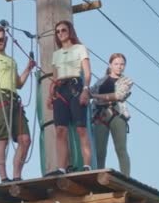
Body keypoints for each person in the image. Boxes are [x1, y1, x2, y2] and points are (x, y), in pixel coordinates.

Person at [0, 26, 35, 182]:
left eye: (1, 39)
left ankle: (17, 175)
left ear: (6, 40)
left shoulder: (11, 61)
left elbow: (19, 84)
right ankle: (4, 177)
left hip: (14, 99)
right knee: (2, 139)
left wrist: (28, 69)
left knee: (25, 139)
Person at [47, 20, 92, 176]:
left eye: (63, 30)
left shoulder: (80, 48)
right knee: (60, 130)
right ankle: (61, 167)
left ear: (70, 31)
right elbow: (54, 77)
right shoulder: (56, 54)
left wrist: (86, 90)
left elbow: (87, 73)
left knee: (81, 128)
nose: (61, 34)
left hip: (75, 86)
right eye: (58, 32)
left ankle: (86, 165)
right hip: (60, 89)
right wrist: (49, 95)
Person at [90, 53, 133, 176]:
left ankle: (126, 177)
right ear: (110, 65)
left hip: (117, 114)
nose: (119, 67)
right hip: (100, 115)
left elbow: (118, 96)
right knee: (99, 150)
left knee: (121, 148)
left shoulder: (127, 81)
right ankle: (98, 176)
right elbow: (89, 93)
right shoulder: (101, 81)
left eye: (122, 64)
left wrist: (94, 96)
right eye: (116, 64)